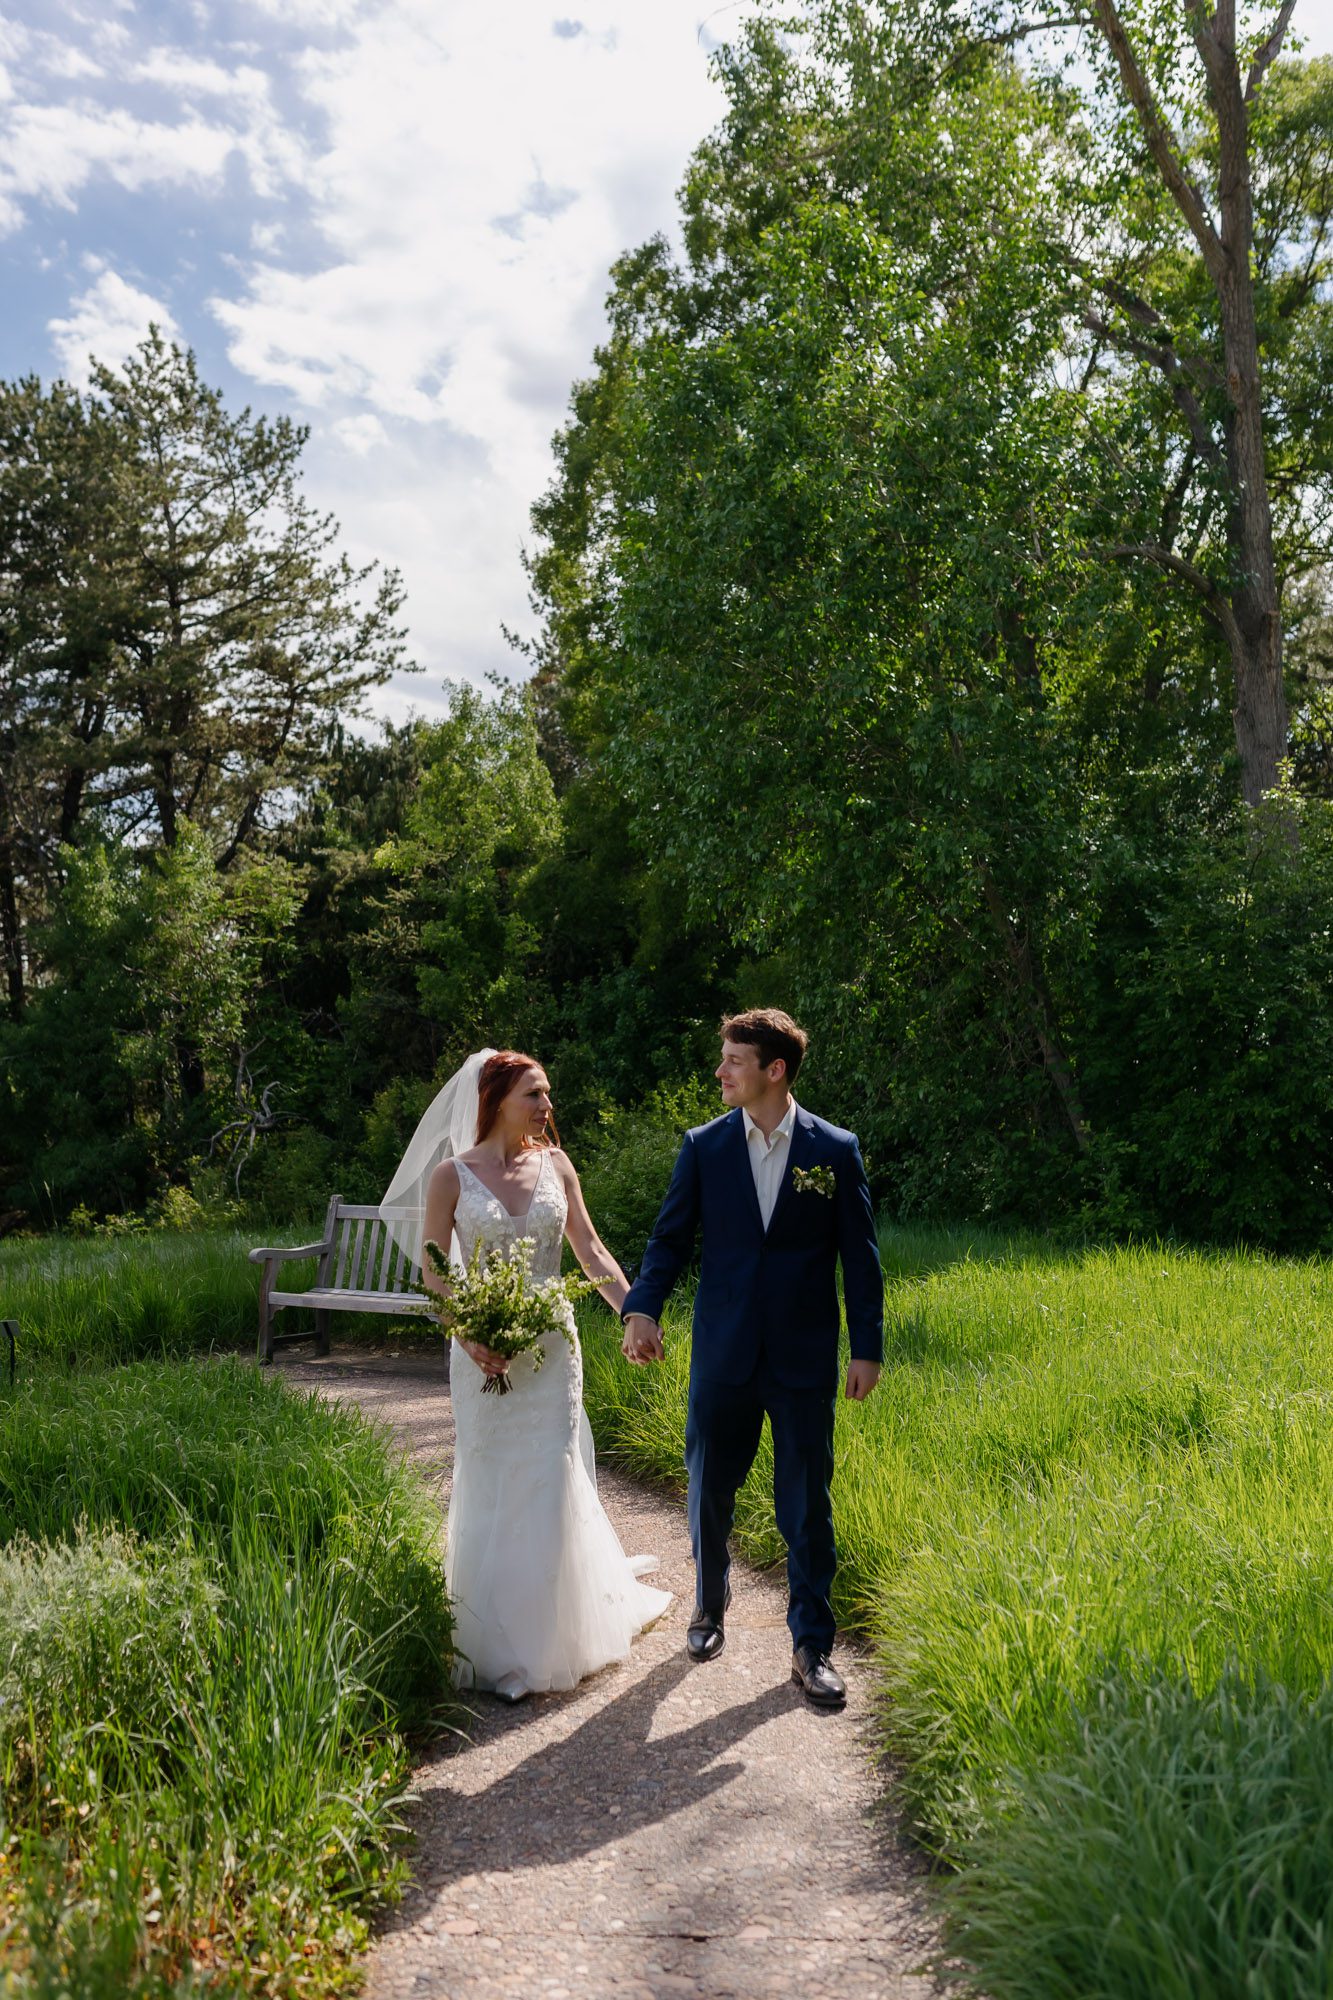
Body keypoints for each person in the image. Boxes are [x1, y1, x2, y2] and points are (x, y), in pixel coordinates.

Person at [380, 1048, 670, 1703]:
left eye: (545, 1095)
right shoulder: (451, 1178)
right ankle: (490, 1637)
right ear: (495, 1100)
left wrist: (635, 1314)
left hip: (550, 1349)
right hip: (479, 1347)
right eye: (533, 1095)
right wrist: (467, 1331)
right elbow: (433, 1269)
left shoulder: (556, 1166)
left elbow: (590, 1248)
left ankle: (547, 1639)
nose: (546, 1106)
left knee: (547, 1467)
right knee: (491, 1474)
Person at [621, 1009, 882, 1709]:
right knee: (708, 1487)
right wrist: (642, 1307)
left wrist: (867, 1347)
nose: (719, 1072)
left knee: (805, 1504)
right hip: (722, 1350)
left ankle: (811, 1645)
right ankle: (708, 1607)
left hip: (801, 1355)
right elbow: (669, 1239)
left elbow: (860, 1257)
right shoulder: (703, 1147)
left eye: (733, 1059)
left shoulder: (834, 1148)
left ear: (773, 1069)